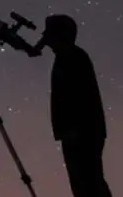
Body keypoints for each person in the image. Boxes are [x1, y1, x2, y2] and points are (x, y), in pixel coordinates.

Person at [35, 14, 114, 197]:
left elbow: (79, 99)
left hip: (81, 134)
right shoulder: (68, 57)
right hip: (77, 133)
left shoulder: (73, 58)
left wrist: (72, 130)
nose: (45, 36)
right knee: (83, 184)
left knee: (90, 184)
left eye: (49, 33)